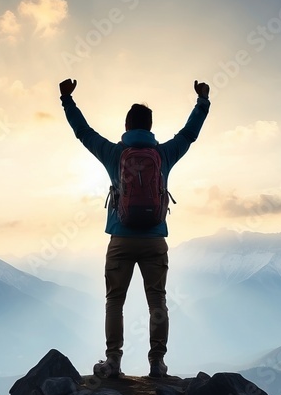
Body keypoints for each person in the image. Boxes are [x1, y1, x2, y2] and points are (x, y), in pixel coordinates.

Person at [59, 78, 210, 379]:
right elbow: (189, 134)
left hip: (121, 239)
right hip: (155, 240)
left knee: (115, 301)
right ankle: (157, 362)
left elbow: (84, 133)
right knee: (158, 300)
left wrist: (67, 99)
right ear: (151, 127)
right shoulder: (164, 154)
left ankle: (113, 361)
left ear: (126, 126)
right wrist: (202, 100)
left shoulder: (114, 155)